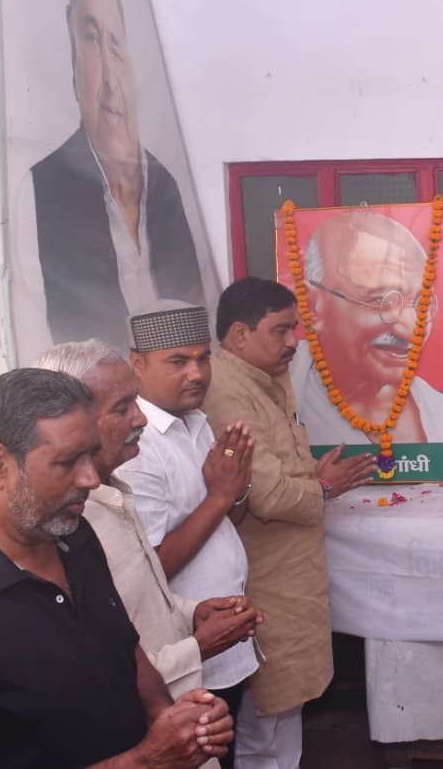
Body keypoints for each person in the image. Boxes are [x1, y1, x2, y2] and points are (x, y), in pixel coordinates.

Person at [0, 369, 232, 768]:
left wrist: (172, 719)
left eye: (91, 454)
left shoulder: (73, 533)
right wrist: (147, 760)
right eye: (67, 462)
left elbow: (126, 649)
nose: (91, 479)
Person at [36, 338, 261, 728]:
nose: (140, 419)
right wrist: (198, 647)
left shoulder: (113, 491)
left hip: (180, 684)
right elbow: (106, 664)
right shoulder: (70, 521)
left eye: (203, 359)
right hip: (144, 717)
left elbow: (139, 592)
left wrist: (191, 612)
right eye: (122, 408)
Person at [201, 278, 377, 769]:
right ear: (240, 335)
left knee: (285, 709)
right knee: (265, 715)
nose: (293, 341)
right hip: (265, 578)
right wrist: (324, 488)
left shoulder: (262, 378)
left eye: (294, 328)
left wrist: (314, 475)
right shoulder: (227, 394)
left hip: (289, 574)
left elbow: (279, 471)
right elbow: (269, 495)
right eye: (280, 330)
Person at [26, 0, 204, 347]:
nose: (110, 79)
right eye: (91, 40)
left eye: (116, 44)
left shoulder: (163, 186)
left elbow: (194, 322)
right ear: (71, 52)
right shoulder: (40, 192)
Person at [114, 302, 263, 767]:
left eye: (203, 358)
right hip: (182, 654)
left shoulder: (196, 421)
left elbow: (226, 519)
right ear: (138, 364)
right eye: (177, 361)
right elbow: (151, 566)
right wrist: (220, 496)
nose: (196, 373)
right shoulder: (137, 447)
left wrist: (235, 490)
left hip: (224, 636)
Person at [291, 210, 443, 447]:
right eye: (382, 300)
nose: (412, 327)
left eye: (422, 304)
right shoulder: (277, 400)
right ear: (312, 306)